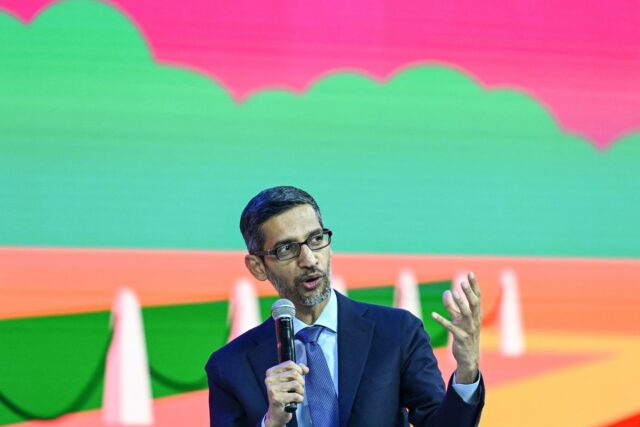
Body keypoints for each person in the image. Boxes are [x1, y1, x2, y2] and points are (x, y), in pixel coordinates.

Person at [206, 186, 484, 427]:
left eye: (316, 240)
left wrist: (467, 370)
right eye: (287, 249)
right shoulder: (230, 367)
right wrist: (272, 421)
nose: (310, 259)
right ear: (257, 266)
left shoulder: (397, 333)